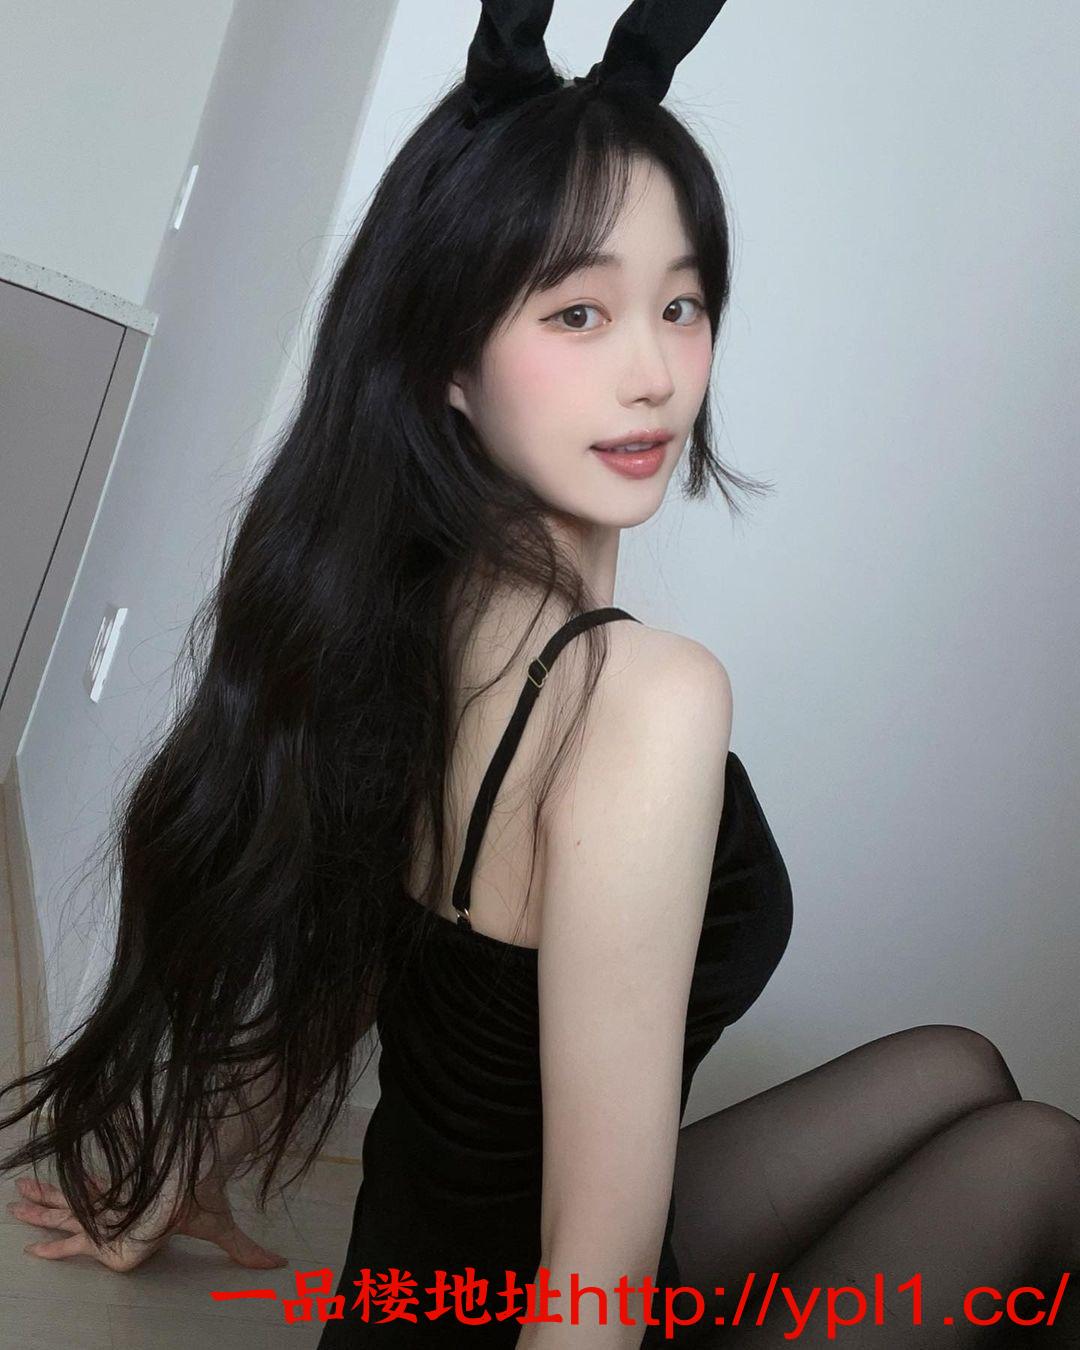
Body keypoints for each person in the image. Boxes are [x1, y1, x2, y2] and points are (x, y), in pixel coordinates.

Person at [2, 1, 1078, 1346]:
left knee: (960, 1068)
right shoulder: (646, 699)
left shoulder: (397, 611)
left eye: (679, 303)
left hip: (416, 1288)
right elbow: (595, 1281)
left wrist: (171, 1177)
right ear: (449, 361)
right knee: (1039, 1157)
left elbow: (347, 957)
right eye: (579, 311)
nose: (654, 373)